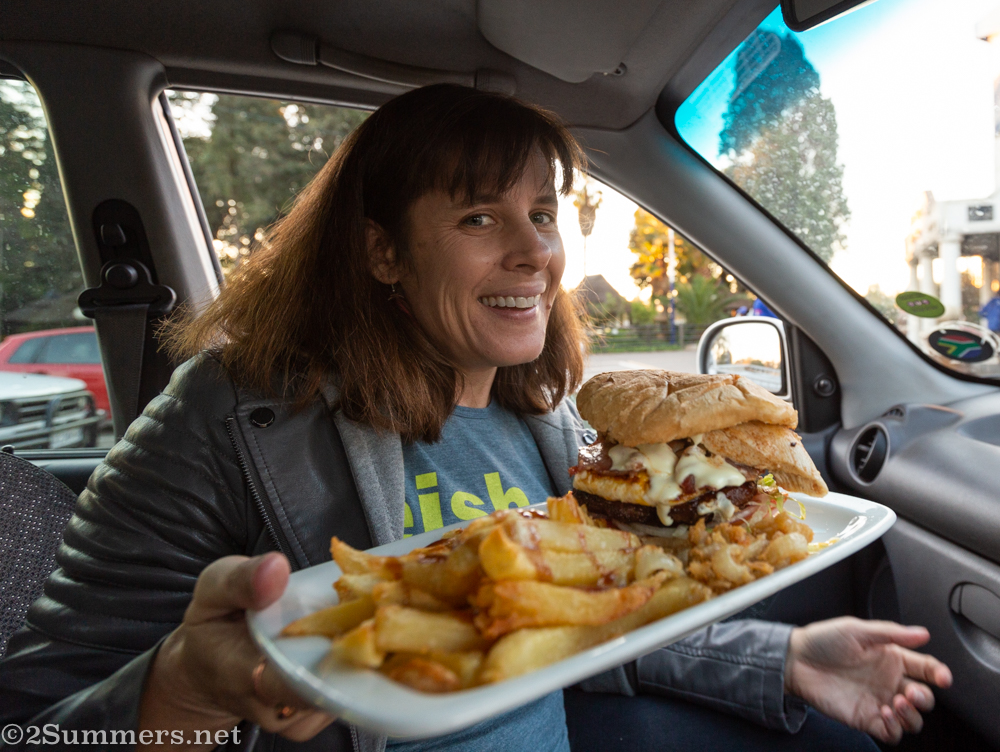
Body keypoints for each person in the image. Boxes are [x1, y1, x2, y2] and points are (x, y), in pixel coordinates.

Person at [0, 84, 950, 752]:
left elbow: (595, 625)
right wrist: (186, 691)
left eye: (543, 213)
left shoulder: (547, 421)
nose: (535, 251)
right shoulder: (229, 416)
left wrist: (784, 658)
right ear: (382, 253)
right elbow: (33, 721)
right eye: (479, 218)